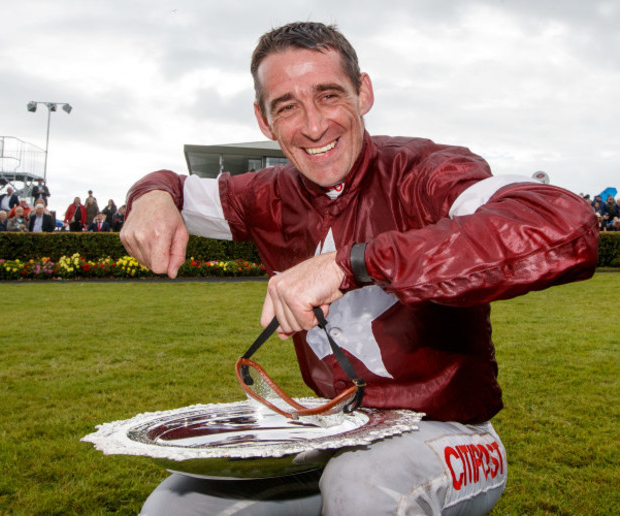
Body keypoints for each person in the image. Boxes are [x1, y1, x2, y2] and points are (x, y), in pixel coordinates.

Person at [120, 22, 598, 515]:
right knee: (176, 506)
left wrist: (351, 263)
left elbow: (562, 224)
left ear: (363, 92)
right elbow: (173, 186)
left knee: (361, 483)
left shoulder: (425, 171)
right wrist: (150, 193)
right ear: (263, 121)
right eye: (286, 106)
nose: (312, 125)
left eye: (328, 95)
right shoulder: (264, 193)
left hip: (452, 433)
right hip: (337, 429)